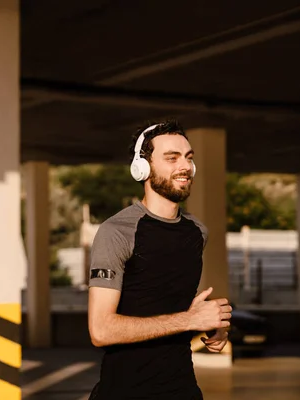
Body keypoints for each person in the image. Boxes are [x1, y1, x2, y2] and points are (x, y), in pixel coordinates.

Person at [87, 120, 232, 400]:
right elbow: (100, 330)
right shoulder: (117, 232)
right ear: (142, 167)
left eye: (188, 158)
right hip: (124, 392)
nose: (185, 167)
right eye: (171, 158)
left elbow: (168, 303)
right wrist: (188, 320)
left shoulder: (197, 232)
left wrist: (213, 324)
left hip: (183, 390)